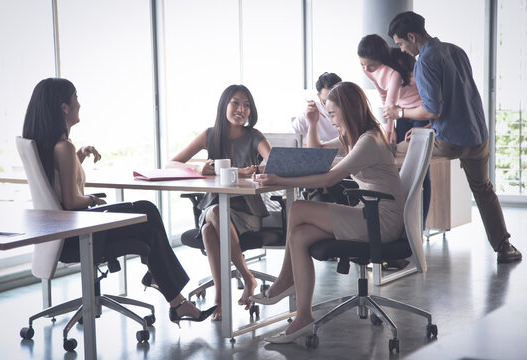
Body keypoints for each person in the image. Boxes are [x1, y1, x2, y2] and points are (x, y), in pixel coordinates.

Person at [22, 78, 215, 326]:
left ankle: (173, 296)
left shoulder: (49, 146)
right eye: (76, 98)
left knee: (146, 221)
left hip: (61, 233)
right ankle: (168, 289)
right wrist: (92, 199)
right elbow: (71, 202)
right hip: (77, 233)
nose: (79, 104)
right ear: (64, 107)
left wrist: (77, 159)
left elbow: (57, 190)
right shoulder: (64, 147)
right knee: (147, 211)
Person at [249, 82, 404, 343]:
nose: (330, 121)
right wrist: (311, 123)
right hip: (368, 214)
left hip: (380, 221)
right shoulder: (354, 137)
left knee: (298, 208)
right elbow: (318, 153)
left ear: (348, 110)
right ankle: (303, 316)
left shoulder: (368, 141)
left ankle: (286, 281)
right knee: (299, 236)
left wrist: (280, 180)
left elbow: (329, 179)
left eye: (332, 114)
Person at [386, 11, 521, 263]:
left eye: (402, 44)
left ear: (412, 37)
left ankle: (396, 243)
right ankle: (504, 247)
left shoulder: (424, 61)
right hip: (478, 136)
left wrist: (399, 111)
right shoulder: (455, 50)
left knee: (390, 156)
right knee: (483, 189)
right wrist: (426, 127)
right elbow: (455, 98)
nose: (402, 50)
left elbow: (433, 108)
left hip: (449, 141)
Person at [167, 84, 271, 321]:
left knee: (208, 228)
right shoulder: (210, 135)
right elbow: (171, 163)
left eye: (246, 105)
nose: (241, 109)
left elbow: (275, 162)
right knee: (212, 217)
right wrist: (197, 167)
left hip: (246, 211)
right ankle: (245, 280)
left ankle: (224, 296)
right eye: (235, 102)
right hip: (215, 206)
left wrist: (251, 170)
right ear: (224, 105)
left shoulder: (254, 136)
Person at [358, 33, 432, 225]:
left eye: (370, 65)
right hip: (400, 112)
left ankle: (419, 225)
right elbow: (384, 98)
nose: (366, 69)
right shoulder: (369, 68)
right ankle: (403, 223)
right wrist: (389, 130)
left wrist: (388, 133)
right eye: (362, 64)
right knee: (400, 166)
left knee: (421, 171)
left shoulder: (395, 71)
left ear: (381, 60)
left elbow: (390, 104)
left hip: (418, 111)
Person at [291, 72, 341, 145]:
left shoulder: (350, 112)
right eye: (326, 102)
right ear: (319, 96)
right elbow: (289, 140)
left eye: (337, 101)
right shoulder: (311, 111)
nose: (332, 107)